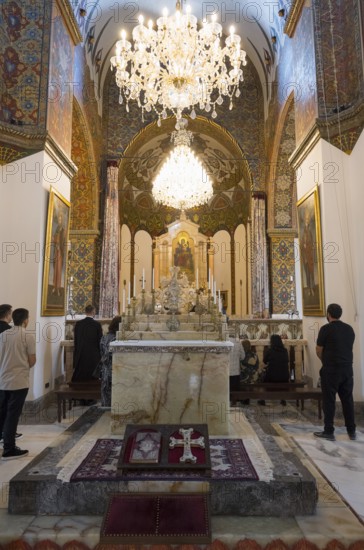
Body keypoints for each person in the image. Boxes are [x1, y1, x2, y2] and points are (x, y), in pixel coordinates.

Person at [314, 303, 356, 441]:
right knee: (348, 400)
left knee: (329, 401)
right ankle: (352, 430)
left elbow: (319, 350)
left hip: (331, 369)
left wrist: (326, 361)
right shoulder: (349, 329)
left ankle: (329, 431)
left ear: (328, 314)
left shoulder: (326, 329)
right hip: (347, 369)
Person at [0, 308, 36, 459]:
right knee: (13, 415)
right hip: (19, 381)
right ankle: (9, 449)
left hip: (3, 380)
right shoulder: (27, 336)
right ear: (25, 320)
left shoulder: (3, 335)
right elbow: (32, 360)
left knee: (2, 413)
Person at [72, 305, 103, 382]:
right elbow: (100, 340)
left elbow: (76, 340)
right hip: (93, 353)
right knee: (93, 376)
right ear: (93, 312)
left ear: (85, 312)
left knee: (81, 375)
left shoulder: (78, 324)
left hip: (81, 352)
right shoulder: (97, 324)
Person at [259, 334, 289, 405]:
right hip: (284, 376)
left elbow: (264, 361)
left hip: (272, 377)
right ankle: (283, 399)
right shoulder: (285, 351)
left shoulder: (270, 351)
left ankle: (262, 399)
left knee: (262, 377)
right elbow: (287, 361)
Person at [98, 315, 121, 407]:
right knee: (116, 394)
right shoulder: (118, 338)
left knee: (106, 392)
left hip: (105, 370)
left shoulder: (104, 337)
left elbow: (101, 352)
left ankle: (106, 411)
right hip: (116, 370)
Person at [240, 339, 260, 404]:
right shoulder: (254, 354)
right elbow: (257, 365)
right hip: (254, 377)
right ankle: (247, 397)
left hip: (244, 377)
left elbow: (240, 366)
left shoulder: (242, 355)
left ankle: (243, 398)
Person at [52, 212, 66, 298]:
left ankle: (58, 287)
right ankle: (54, 286)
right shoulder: (57, 229)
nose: (59, 220)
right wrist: (54, 240)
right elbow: (54, 238)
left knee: (58, 269)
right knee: (55, 269)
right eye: (59, 219)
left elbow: (63, 240)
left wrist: (58, 245)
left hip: (60, 251)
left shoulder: (63, 230)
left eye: (61, 219)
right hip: (56, 250)